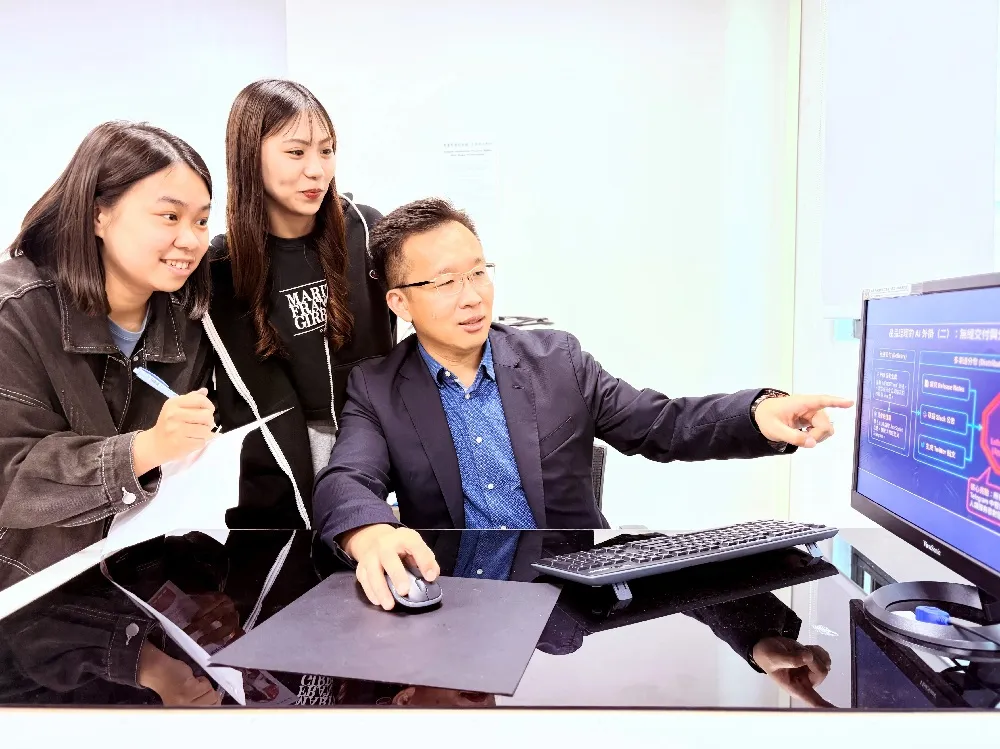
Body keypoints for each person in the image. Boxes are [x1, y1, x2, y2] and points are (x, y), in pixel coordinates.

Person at [313, 198, 855, 610]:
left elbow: (661, 424)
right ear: (400, 302)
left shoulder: (557, 361)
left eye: (478, 272)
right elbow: (346, 479)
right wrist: (370, 532)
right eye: (446, 282)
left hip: (572, 599)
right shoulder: (377, 387)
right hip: (452, 602)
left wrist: (757, 413)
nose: (473, 296)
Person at [0, 121, 219, 703]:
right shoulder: (12, 313)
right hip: (23, 613)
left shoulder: (188, 319)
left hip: (139, 598)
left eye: (202, 221)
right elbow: (10, 477)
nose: (191, 239)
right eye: (169, 216)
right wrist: (144, 450)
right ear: (99, 214)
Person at [204, 79, 395, 532]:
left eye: (327, 151)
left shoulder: (367, 229)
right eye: (296, 152)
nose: (316, 170)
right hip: (280, 463)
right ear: (249, 156)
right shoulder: (221, 268)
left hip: (373, 441)